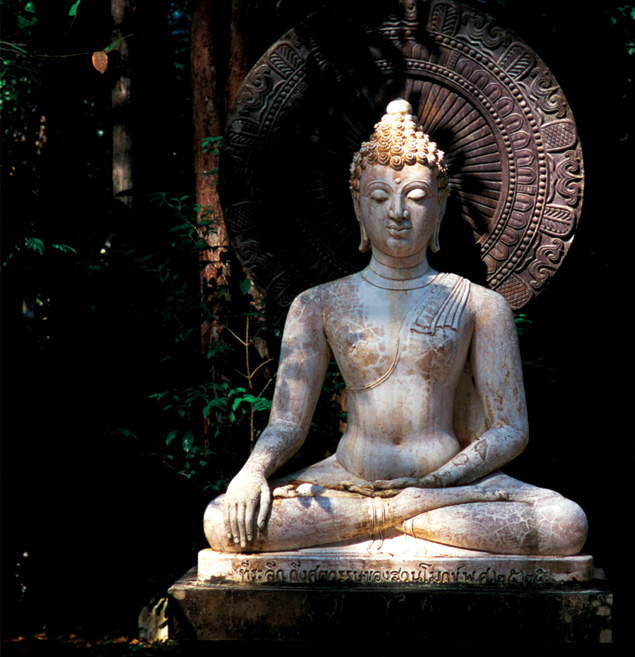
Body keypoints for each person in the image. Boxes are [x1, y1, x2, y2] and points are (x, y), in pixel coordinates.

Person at [202, 99, 587, 556]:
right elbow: (288, 421)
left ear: (440, 206)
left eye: (418, 197)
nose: (398, 213)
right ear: (358, 206)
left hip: (448, 483)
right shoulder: (319, 304)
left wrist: (439, 483)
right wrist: (254, 471)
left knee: (565, 524)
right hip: (349, 480)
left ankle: (391, 517)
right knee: (222, 522)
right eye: (380, 198)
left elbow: (509, 429)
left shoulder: (480, 305)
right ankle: (394, 517)